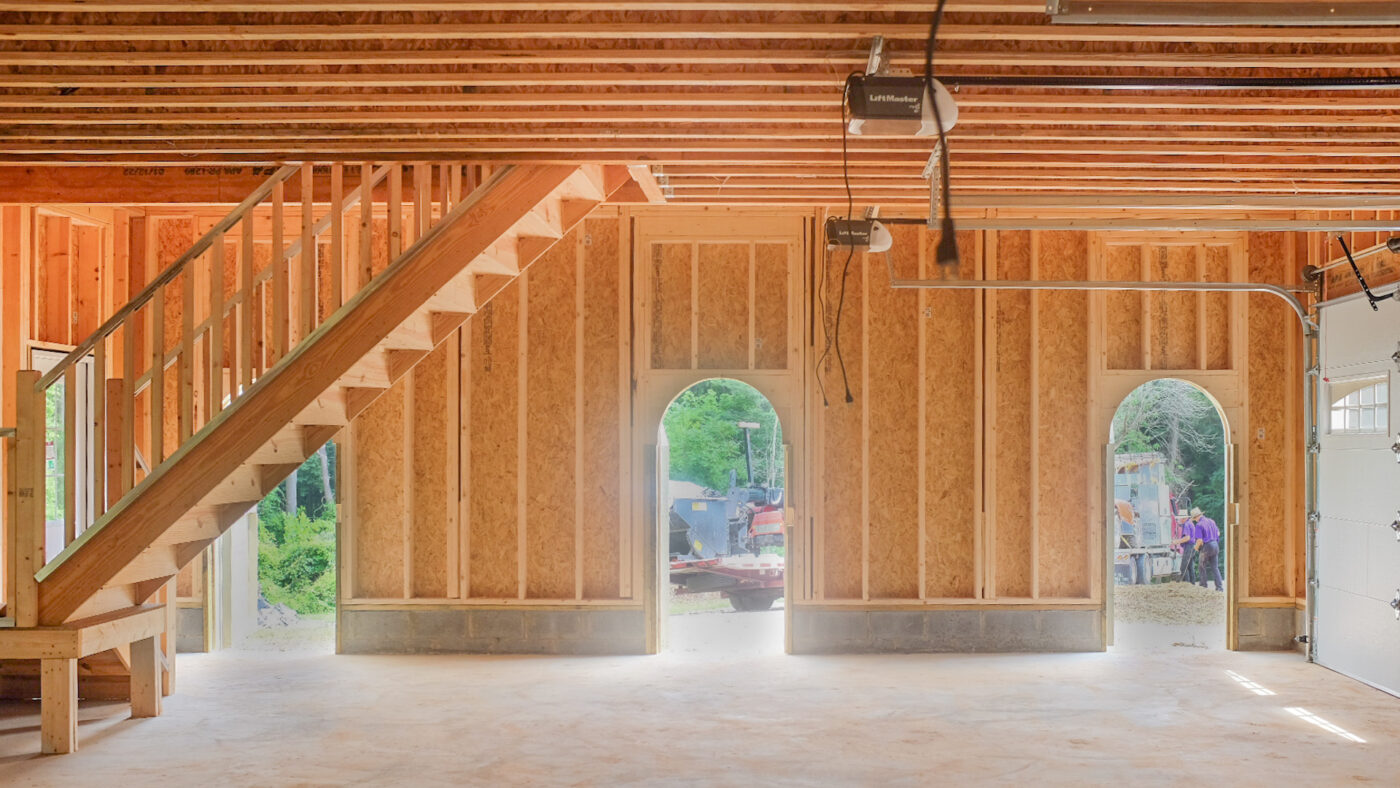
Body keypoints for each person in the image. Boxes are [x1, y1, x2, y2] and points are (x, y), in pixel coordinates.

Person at [1188, 507, 1223, 592]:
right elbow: (1218, 533)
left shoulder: (1199, 525)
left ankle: (1203, 586)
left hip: (1207, 546)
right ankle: (1219, 587)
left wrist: (1196, 548)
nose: (1195, 520)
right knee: (1215, 567)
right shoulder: (1211, 521)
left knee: (1201, 566)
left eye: (1194, 519)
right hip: (1215, 545)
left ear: (1196, 517)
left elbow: (1199, 540)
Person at [1173, 513, 1198, 584]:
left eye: (1180, 518)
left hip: (1189, 547)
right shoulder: (1190, 523)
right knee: (1190, 566)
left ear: (1184, 518)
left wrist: (1177, 541)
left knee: (1184, 566)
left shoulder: (1186, 524)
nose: (1179, 520)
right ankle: (1192, 583)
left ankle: (1183, 583)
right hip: (1192, 546)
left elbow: (1187, 538)